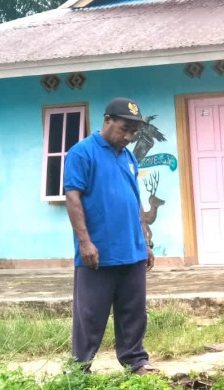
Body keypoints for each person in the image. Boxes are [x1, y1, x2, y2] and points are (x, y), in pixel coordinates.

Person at [63, 97, 157, 375]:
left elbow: (134, 199)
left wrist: (145, 240)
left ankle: (135, 361)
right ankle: (80, 367)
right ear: (107, 121)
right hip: (98, 251)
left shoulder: (128, 157)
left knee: (134, 312)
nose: (128, 137)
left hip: (132, 249)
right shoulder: (82, 153)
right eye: (124, 129)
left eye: (133, 132)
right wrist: (85, 242)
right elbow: (72, 197)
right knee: (90, 314)